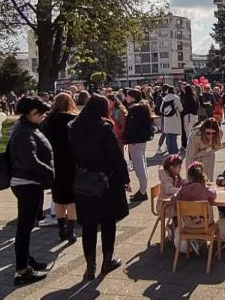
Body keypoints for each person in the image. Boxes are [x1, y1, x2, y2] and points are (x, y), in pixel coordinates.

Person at [69, 94, 131, 281]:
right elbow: (115, 156)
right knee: (108, 222)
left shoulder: (74, 128)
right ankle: (107, 259)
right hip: (106, 182)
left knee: (88, 225)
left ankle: (90, 266)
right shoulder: (104, 129)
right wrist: (125, 178)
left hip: (83, 181)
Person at [7, 97, 55, 286]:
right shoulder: (24, 132)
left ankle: (26, 260)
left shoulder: (25, 127)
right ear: (33, 112)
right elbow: (30, 160)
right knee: (25, 229)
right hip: (27, 183)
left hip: (28, 182)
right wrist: (51, 172)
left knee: (26, 226)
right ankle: (22, 270)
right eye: (42, 114)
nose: (43, 118)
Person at [43, 93, 79, 243]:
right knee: (72, 199)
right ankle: (71, 231)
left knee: (58, 197)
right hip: (71, 161)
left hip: (54, 162)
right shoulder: (73, 119)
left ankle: (61, 228)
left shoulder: (48, 120)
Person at [172, 161, 217, 253]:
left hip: (188, 224)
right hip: (205, 223)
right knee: (217, 226)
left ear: (189, 177)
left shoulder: (183, 189)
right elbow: (214, 194)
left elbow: (173, 200)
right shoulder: (204, 189)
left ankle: (195, 240)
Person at [123, 89, 153, 202]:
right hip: (141, 140)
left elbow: (131, 127)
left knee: (139, 167)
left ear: (132, 97)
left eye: (127, 96)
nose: (126, 98)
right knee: (142, 165)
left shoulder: (135, 109)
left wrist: (126, 137)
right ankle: (142, 190)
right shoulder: (144, 106)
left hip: (135, 141)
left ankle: (142, 191)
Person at [158, 85, 183, 155]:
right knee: (174, 136)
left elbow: (161, 109)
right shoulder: (176, 98)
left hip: (167, 118)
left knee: (168, 135)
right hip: (175, 118)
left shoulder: (165, 98)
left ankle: (169, 150)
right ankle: (174, 150)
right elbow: (181, 109)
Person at [158, 154, 183, 221]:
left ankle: (176, 226)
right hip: (165, 206)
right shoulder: (166, 177)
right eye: (179, 167)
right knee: (186, 209)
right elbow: (168, 189)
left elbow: (182, 181)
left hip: (170, 202)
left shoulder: (174, 174)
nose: (181, 169)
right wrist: (182, 190)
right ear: (172, 167)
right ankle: (177, 227)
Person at [180, 85, 199, 150]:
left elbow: (184, 107)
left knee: (188, 132)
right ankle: (195, 146)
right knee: (194, 131)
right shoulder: (194, 96)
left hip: (188, 116)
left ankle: (190, 147)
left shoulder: (187, 97)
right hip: (195, 115)